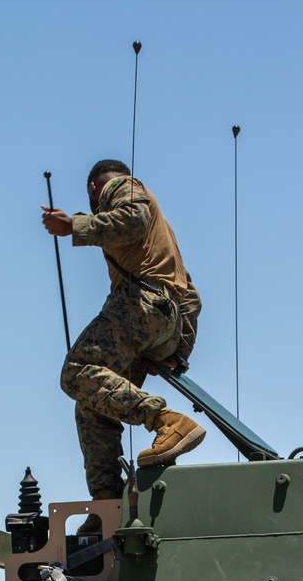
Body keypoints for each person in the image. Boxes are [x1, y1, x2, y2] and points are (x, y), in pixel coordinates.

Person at [42, 160, 205, 524]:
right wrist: (179, 349)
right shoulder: (165, 239)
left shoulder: (121, 187)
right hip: (164, 320)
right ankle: (107, 503)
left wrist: (75, 225)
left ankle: (165, 420)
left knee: (76, 372)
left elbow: (135, 219)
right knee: (93, 401)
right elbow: (192, 296)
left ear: (94, 189)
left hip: (139, 304)